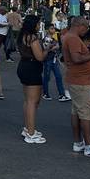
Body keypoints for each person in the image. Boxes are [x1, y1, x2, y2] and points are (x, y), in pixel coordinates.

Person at [62, 18, 90, 160]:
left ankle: (78, 142)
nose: (86, 31)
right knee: (86, 113)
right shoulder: (73, 38)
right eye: (86, 28)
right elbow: (76, 58)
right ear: (79, 26)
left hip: (77, 79)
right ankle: (89, 146)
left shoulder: (69, 37)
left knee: (76, 112)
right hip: (81, 81)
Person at [17, 15, 47, 144]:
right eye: (38, 23)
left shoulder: (22, 35)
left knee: (28, 100)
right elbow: (40, 57)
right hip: (32, 68)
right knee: (33, 102)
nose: (39, 25)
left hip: (24, 66)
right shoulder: (33, 38)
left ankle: (28, 128)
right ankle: (31, 132)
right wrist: (48, 49)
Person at [41, 24, 69, 102]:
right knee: (47, 77)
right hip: (48, 60)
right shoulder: (45, 39)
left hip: (54, 59)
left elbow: (57, 47)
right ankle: (45, 93)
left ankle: (61, 94)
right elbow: (46, 49)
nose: (53, 30)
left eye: (53, 28)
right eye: (51, 28)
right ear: (47, 30)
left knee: (58, 76)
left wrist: (55, 47)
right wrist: (53, 47)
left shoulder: (54, 39)